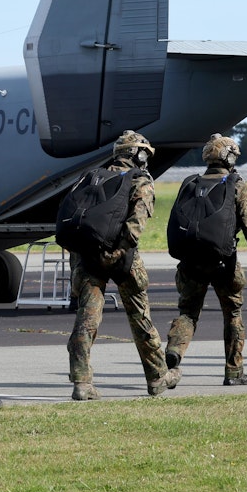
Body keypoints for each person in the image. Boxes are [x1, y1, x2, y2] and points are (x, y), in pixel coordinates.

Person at [66, 130, 181, 401]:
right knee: (141, 317)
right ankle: (157, 377)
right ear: (138, 154)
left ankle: (82, 383)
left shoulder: (90, 177)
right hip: (124, 258)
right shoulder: (140, 180)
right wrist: (118, 251)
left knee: (86, 320)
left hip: (88, 257)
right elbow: (136, 223)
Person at [164, 134, 247, 386]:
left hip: (190, 261)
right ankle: (234, 372)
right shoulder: (236, 184)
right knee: (232, 313)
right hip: (224, 263)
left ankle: (175, 349)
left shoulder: (190, 183)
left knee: (188, 311)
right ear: (230, 157)